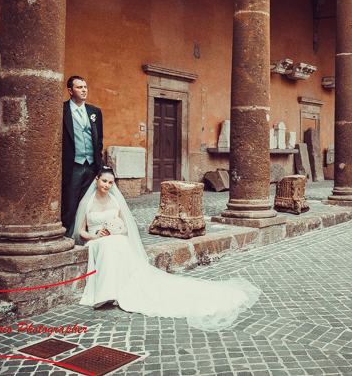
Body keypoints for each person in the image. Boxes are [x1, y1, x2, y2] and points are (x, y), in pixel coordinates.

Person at [72, 167, 261, 331]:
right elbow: (81, 232)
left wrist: (117, 232)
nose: (107, 185)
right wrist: (96, 236)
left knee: (119, 242)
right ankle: (105, 293)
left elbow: (125, 229)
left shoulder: (115, 201)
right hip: (96, 240)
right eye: (104, 181)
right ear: (97, 180)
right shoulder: (86, 203)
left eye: (111, 183)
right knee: (109, 244)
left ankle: (117, 290)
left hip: (114, 238)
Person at [62, 76, 103, 237]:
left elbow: (98, 140)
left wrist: (98, 164)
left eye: (85, 87)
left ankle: (85, 236)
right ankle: (66, 235)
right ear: (70, 91)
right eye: (79, 87)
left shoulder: (95, 112)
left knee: (88, 203)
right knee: (70, 204)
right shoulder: (62, 109)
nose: (84, 90)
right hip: (73, 166)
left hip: (91, 166)